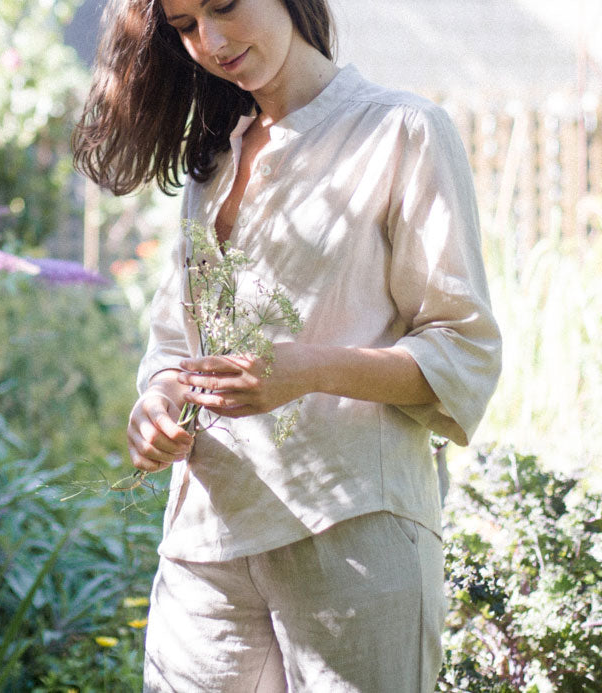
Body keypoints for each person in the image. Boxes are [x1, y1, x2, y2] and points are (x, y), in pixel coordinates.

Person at [71, 0, 502, 690]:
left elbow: (464, 351)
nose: (209, 40)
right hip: (205, 542)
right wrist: (158, 398)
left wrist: (307, 370)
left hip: (352, 527)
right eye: (183, 25)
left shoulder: (401, 132)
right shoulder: (212, 157)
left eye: (223, 6)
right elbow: (175, 344)